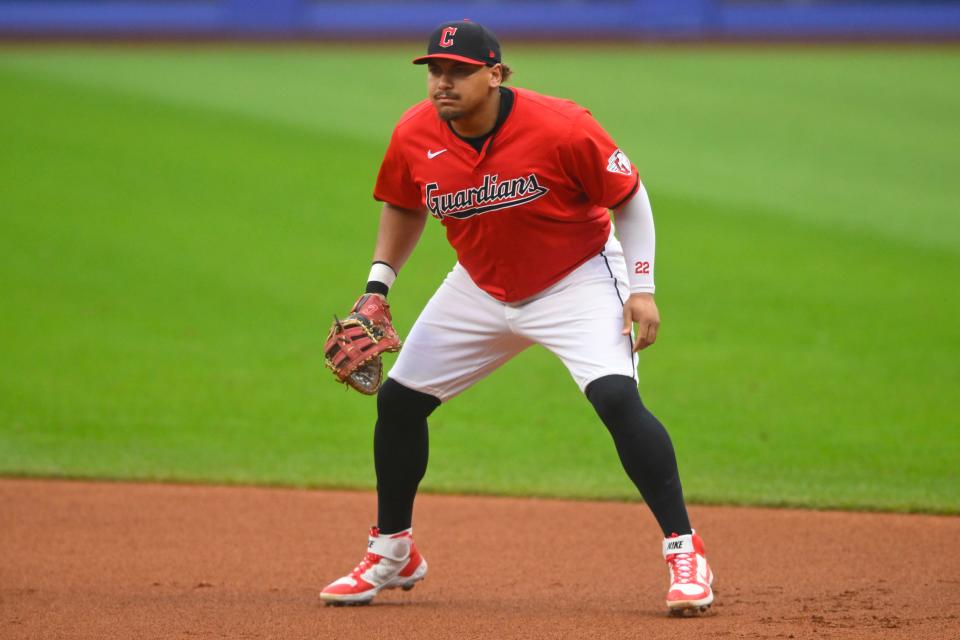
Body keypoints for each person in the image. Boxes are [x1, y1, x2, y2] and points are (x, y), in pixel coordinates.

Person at [320, 19, 715, 615]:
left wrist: (642, 287)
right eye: (435, 70)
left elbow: (628, 195)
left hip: (576, 280)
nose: (443, 82)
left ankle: (686, 552)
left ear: (496, 74)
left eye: (458, 71)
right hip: (478, 287)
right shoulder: (414, 134)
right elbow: (404, 205)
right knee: (400, 403)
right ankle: (393, 550)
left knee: (615, 399)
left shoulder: (562, 126)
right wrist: (377, 285)